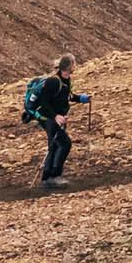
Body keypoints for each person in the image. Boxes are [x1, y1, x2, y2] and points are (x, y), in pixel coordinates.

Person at [33, 53, 90, 188]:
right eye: (74, 63)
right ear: (69, 66)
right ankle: (53, 177)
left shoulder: (66, 80)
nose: (76, 65)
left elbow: (65, 96)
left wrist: (80, 98)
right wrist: (55, 116)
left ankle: (47, 179)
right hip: (48, 118)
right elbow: (43, 102)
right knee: (64, 143)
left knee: (55, 145)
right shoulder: (53, 81)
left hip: (56, 118)